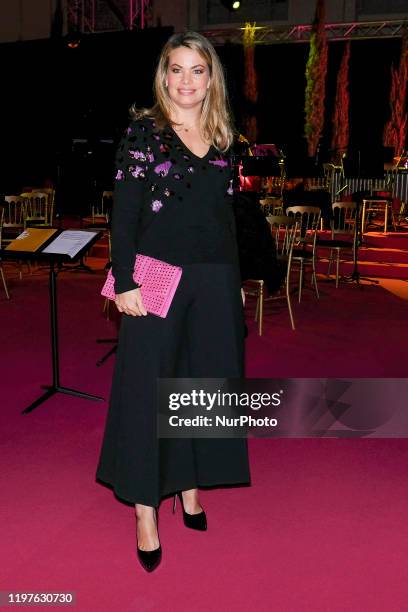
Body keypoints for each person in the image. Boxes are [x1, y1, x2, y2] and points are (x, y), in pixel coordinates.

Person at [96, 31, 251, 572]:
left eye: (198, 70)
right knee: (150, 392)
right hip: (156, 278)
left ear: (212, 80)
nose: (187, 81)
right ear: (164, 76)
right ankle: (145, 511)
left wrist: (233, 282)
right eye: (177, 69)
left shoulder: (226, 141)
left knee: (200, 388)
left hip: (212, 282)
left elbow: (225, 222)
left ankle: (188, 484)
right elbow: (124, 215)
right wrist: (123, 281)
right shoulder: (144, 134)